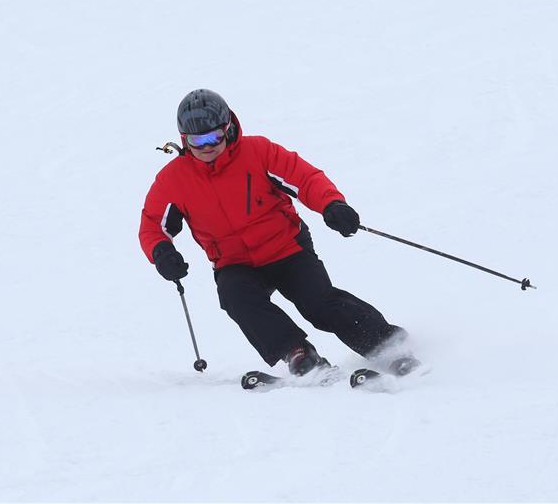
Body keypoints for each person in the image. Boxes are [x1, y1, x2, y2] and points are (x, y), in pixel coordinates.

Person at [139, 89, 416, 376]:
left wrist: (332, 205)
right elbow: (152, 226)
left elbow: (305, 179)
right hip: (234, 262)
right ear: (184, 139)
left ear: (228, 129)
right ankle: (298, 354)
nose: (207, 147)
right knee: (236, 297)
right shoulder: (174, 180)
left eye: (214, 138)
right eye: (198, 141)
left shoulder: (258, 152)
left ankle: (387, 345)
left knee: (317, 302)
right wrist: (162, 252)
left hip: (286, 248)